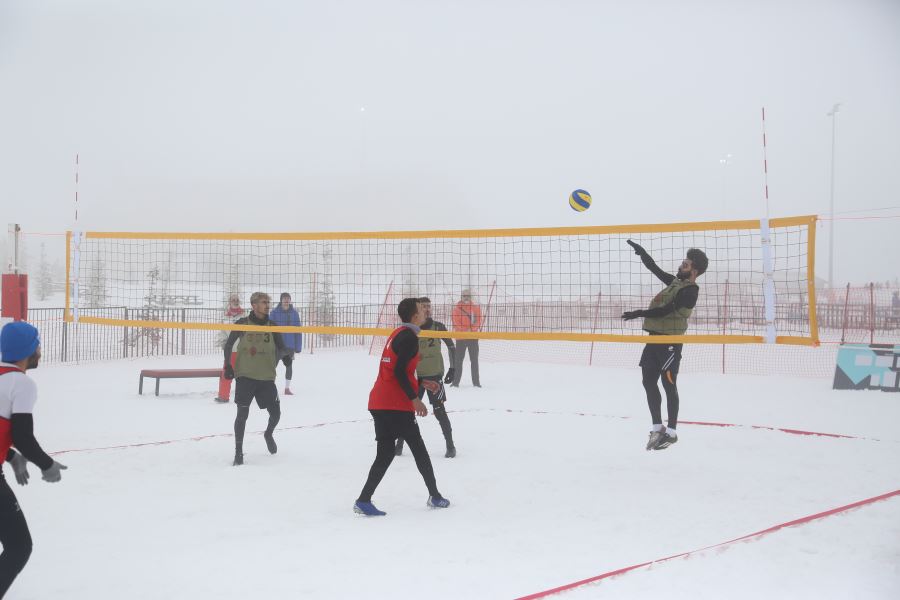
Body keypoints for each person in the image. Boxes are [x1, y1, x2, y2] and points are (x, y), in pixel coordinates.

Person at [354, 298, 450, 516]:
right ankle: (435, 496)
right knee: (419, 450)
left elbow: (400, 371)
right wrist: (415, 398)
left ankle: (363, 500)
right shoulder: (409, 338)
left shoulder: (398, 334)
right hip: (395, 404)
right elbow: (398, 372)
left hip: (380, 402)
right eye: (421, 309)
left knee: (386, 453)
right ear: (414, 316)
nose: (425, 311)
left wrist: (422, 382)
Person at [0, 321, 67, 597]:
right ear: (29, 351)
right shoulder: (22, 384)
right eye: (38, 345)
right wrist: (47, 465)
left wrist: (10, 456)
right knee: (19, 546)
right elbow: (22, 435)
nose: (40, 350)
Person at [621, 241, 708, 451]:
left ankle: (672, 432)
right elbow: (654, 268)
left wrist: (639, 313)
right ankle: (657, 427)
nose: (681, 266)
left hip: (669, 343)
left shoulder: (690, 291)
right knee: (648, 381)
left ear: (694, 271)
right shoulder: (674, 283)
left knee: (669, 385)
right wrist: (642, 253)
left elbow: (665, 311)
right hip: (654, 340)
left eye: (685, 265)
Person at [222, 292, 292, 466]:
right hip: (245, 375)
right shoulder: (242, 323)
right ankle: (238, 452)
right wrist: (228, 366)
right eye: (263, 302)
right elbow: (228, 345)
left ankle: (268, 433)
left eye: (268, 302)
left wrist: (286, 357)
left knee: (276, 413)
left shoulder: (272, 325)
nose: (267, 305)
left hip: (266, 376)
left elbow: (281, 347)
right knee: (242, 414)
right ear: (254, 305)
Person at [395, 297, 457, 458]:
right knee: (407, 412)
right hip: (415, 377)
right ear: (417, 311)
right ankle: (398, 446)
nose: (427, 309)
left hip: (434, 376)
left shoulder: (438, 326)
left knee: (440, 411)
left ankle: (450, 446)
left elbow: (451, 346)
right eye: (423, 306)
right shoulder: (410, 330)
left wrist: (453, 368)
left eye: (429, 306)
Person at [269, 292, 302, 396]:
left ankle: (287, 388)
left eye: (288, 298)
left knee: (289, 366)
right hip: (277, 346)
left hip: (289, 346)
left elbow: (298, 331)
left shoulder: (294, 313)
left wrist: (298, 347)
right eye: (284, 299)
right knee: (272, 367)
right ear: (281, 300)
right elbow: (269, 330)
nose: (286, 300)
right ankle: (270, 388)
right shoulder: (274, 313)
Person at [215, 294, 246, 403]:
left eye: (237, 300)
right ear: (229, 302)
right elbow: (222, 332)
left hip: (242, 351)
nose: (235, 301)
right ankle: (223, 397)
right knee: (226, 374)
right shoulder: (225, 317)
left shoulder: (244, 315)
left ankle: (243, 397)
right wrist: (223, 343)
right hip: (230, 351)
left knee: (243, 376)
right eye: (233, 300)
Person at [450, 289, 483, 388]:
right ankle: (455, 383)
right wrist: (466, 330)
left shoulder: (476, 308)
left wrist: (471, 330)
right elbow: (456, 322)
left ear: (470, 296)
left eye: (468, 295)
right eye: (464, 295)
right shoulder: (456, 309)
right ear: (461, 297)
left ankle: (476, 383)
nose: (466, 297)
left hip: (473, 337)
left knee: (474, 361)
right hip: (461, 338)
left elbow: (478, 321)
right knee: (458, 361)